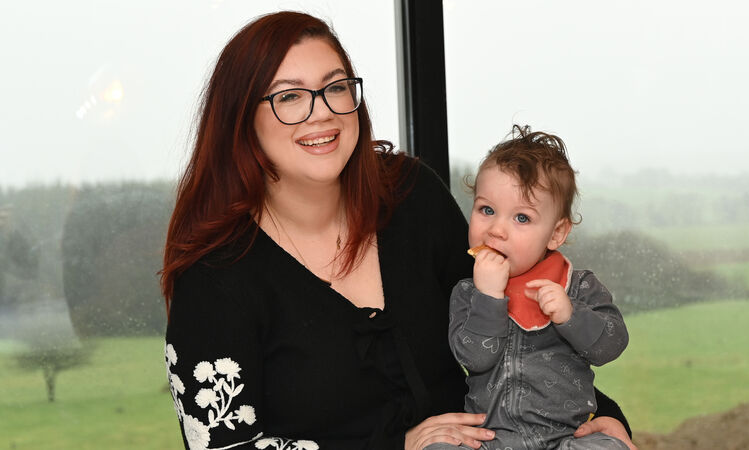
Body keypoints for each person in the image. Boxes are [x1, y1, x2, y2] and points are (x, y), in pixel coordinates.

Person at [161, 11, 635, 450]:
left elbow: (513, 326)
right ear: (241, 120)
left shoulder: (412, 195)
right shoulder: (213, 277)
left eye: (335, 87)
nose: (322, 112)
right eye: (289, 96)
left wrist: (600, 417)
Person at [426, 126, 629, 450]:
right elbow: (475, 359)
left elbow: (610, 346)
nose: (497, 230)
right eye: (487, 210)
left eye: (521, 218)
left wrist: (571, 315)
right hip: (490, 441)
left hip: (566, 440)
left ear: (556, 233)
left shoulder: (578, 285)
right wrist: (488, 297)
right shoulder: (467, 293)